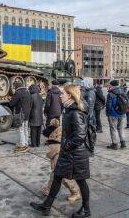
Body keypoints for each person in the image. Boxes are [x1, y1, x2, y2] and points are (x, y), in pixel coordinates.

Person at [30, 85, 91, 217]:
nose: (60, 95)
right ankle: (46, 206)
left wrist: (66, 145)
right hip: (68, 153)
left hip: (75, 154)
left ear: (70, 95)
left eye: (63, 93)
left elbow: (80, 136)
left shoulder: (75, 112)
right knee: (57, 177)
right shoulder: (69, 109)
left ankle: (86, 210)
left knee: (81, 181)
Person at [41, 118, 80, 202]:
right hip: (57, 155)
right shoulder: (57, 138)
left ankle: (75, 192)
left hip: (58, 157)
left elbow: (51, 152)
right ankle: (48, 189)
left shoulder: (54, 143)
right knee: (54, 175)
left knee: (63, 177)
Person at [9, 81, 32, 153]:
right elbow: (31, 102)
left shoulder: (18, 92)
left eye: (14, 86)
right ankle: (26, 143)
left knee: (21, 129)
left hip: (21, 113)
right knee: (26, 128)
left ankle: (22, 144)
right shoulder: (27, 92)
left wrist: (10, 100)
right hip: (27, 113)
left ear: (16, 86)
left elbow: (12, 103)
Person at [106, 80, 126, 150]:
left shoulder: (110, 94)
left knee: (113, 128)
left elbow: (109, 105)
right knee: (121, 128)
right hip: (122, 113)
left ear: (112, 85)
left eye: (110, 85)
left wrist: (107, 113)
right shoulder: (123, 91)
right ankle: (123, 143)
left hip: (113, 114)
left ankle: (115, 144)